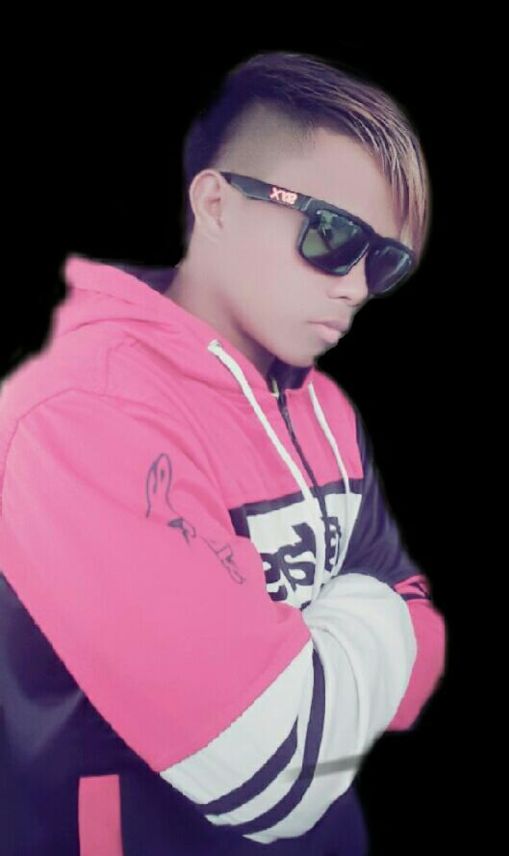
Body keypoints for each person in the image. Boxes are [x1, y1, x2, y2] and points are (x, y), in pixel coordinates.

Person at [0, 50, 446, 854]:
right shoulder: (80, 411)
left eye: (385, 262)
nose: (355, 286)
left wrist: (324, 673)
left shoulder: (328, 410)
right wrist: (363, 622)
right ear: (216, 203)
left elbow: (425, 652)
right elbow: (276, 774)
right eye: (333, 235)